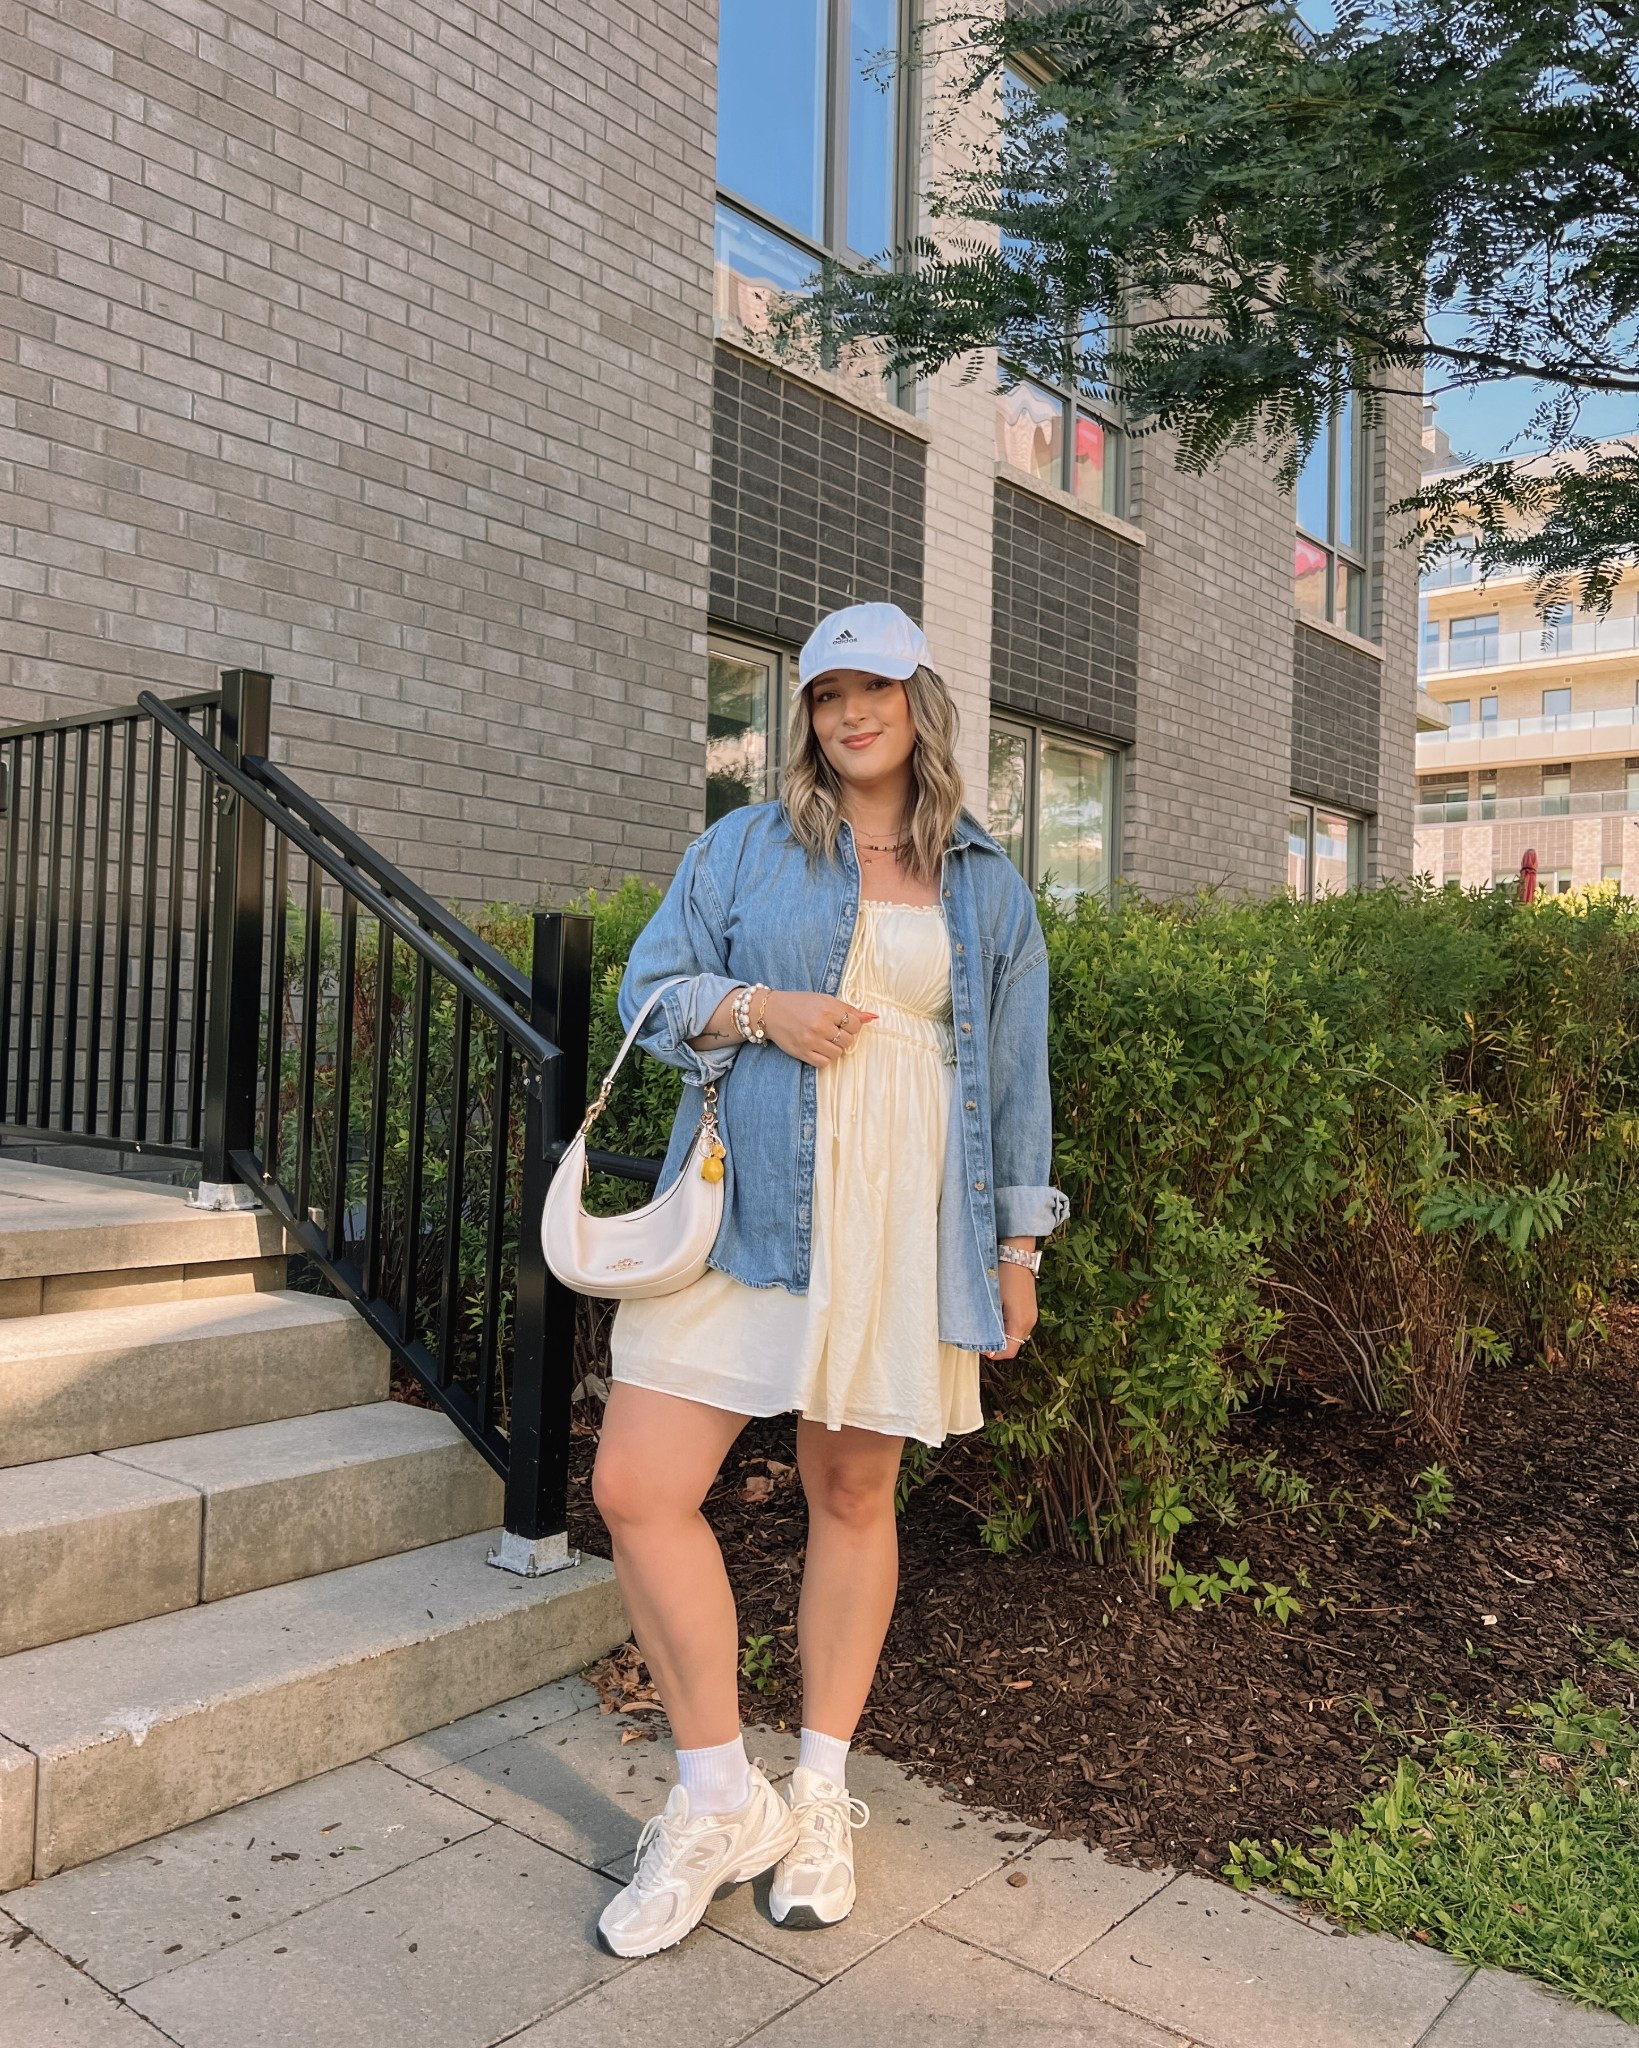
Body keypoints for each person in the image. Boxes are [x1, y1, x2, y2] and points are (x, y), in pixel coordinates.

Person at [590, 601, 1066, 1959]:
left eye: (876, 687)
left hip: (903, 1224)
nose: (851, 712)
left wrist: (1016, 1247)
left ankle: (821, 1792)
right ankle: (715, 1795)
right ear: (804, 717)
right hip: (753, 1207)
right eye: (825, 694)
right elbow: (648, 992)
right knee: (638, 1485)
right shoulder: (744, 847)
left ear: (921, 701)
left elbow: (1018, 1079)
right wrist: (755, 1011)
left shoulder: (989, 885)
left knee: (852, 1491)